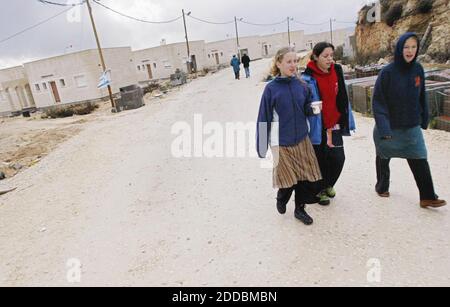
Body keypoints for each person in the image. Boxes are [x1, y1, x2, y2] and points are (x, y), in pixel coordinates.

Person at [372, 32, 446, 209]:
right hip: (389, 126)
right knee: (384, 156)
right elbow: (378, 102)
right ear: (399, 48)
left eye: (413, 47)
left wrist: (424, 118)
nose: (410, 51)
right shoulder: (387, 72)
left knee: (419, 157)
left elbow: (421, 96)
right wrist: (384, 129)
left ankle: (427, 196)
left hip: (411, 125)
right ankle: (382, 186)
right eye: (406, 47)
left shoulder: (418, 69)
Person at [256, 47, 322, 225]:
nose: (293, 65)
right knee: (287, 180)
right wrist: (262, 145)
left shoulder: (302, 85)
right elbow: (264, 117)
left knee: (304, 178)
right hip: (280, 142)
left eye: (295, 61)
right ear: (278, 63)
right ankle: (282, 197)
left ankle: (300, 209)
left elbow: (307, 107)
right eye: (288, 61)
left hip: (302, 138)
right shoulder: (271, 89)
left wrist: (313, 109)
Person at [301, 42, 355, 206]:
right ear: (316, 57)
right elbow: (303, 105)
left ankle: (328, 184)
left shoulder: (337, 71)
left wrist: (348, 119)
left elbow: (343, 96)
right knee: (321, 160)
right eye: (325, 56)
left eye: (332, 55)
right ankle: (320, 190)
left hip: (335, 123)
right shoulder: (307, 78)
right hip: (318, 126)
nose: (330, 59)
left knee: (339, 158)